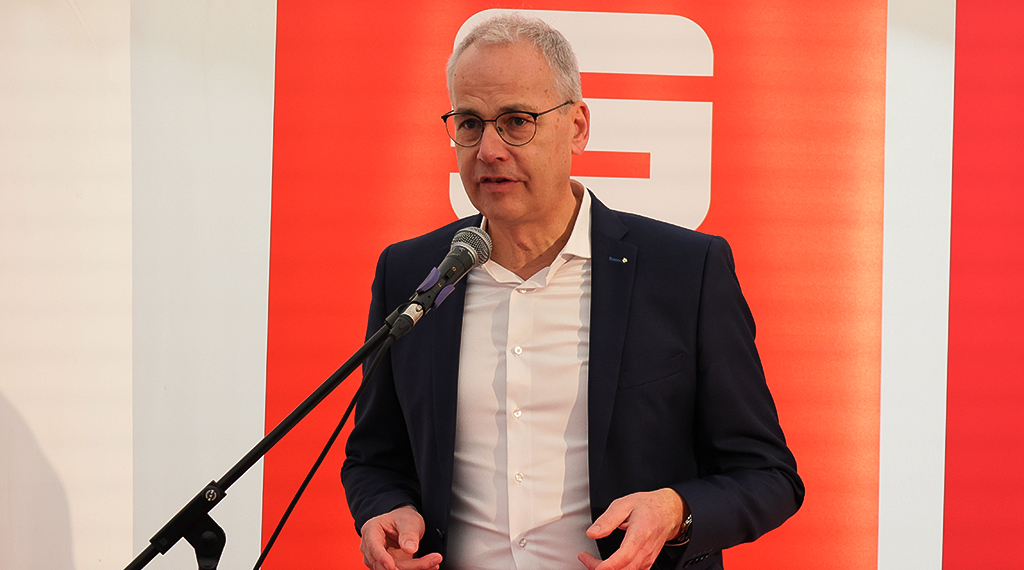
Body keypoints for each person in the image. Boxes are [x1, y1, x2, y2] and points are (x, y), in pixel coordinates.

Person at [342, 12, 803, 570]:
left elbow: (768, 475)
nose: (488, 149)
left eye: (516, 121)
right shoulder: (413, 272)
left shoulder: (684, 271)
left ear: (578, 127)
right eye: (469, 123)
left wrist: (676, 512)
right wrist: (385, 508)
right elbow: (374, 456)